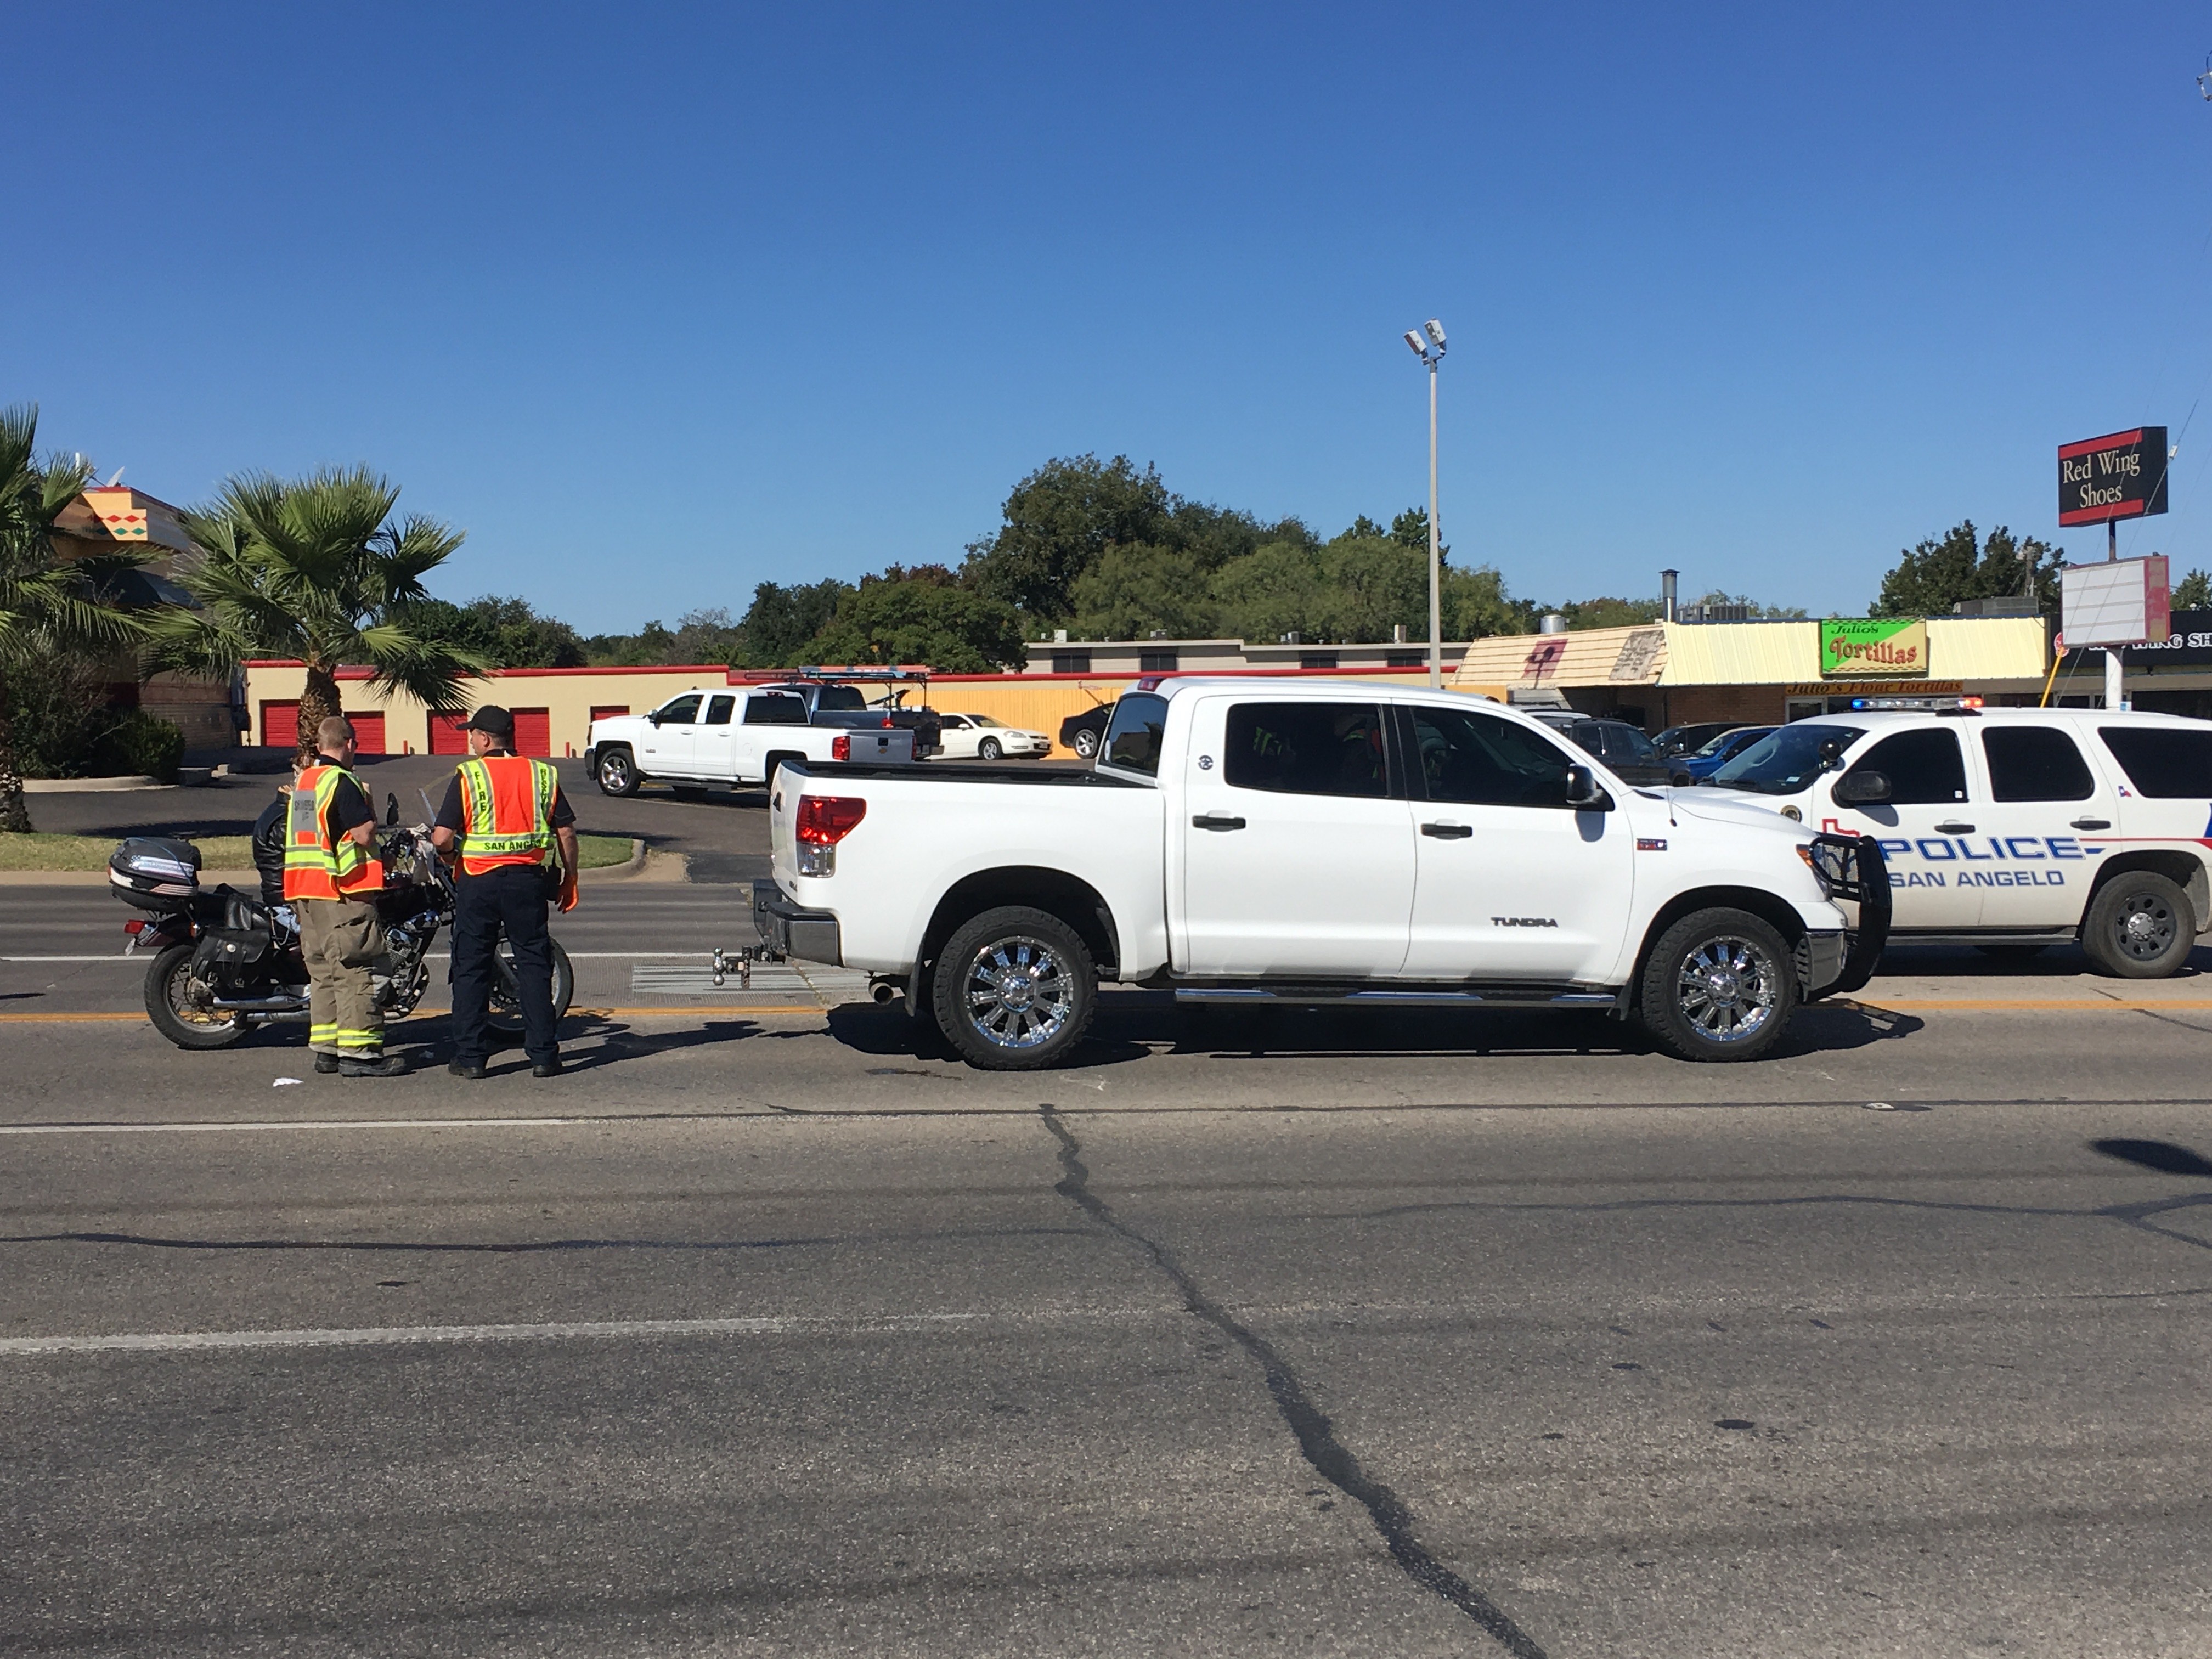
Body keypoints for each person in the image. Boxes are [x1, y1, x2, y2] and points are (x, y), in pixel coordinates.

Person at [430, 706, 579, 1079]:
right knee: (533, 965)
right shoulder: (542, 774)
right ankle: (544, 1056)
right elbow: (566, 833)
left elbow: (442, 837)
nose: (470, 741)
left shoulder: (469, 775)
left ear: (484, 738)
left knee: (471, 967)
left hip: (478, 882)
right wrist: (571, 878)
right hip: (527, 882)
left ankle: (471, 1057)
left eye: (472, 735)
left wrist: (451, 858)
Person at [283, 716, 406, 1077]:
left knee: (323, 973)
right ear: (349, 744)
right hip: (343, 894)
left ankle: (327, 1049)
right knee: (358, 971)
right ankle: (360, 1054)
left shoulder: (305, 782)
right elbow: (364, 834)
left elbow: (317, 835)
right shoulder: (342, 781)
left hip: (307, 892)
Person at [251, 753, 310, 910]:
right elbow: (307, 854)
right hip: (287, 905)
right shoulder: (285, 818)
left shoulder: (285, 810)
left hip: (291, 901)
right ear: (297, 772)